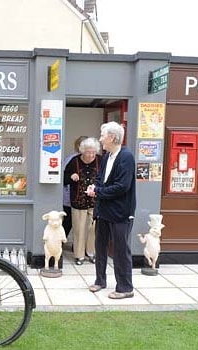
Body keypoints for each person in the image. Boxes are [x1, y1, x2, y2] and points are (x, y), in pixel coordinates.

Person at [86, 121, 136, 299]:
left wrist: (98, 191)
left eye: (102, 136)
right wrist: (95, 187)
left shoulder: (126, 157)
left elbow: (122, 186)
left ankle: (125, 288)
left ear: (112, 138)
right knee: (100, 246)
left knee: (121, 250)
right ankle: (100, 280)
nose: (100, 139)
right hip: (103, 210)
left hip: (120, 212)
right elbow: (100, 178)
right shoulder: (107, 156)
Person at [63, 137, 101, 265]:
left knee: (93, 229)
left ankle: (91, 253)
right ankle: (79, 256)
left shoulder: (100, 160)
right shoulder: (74, 162)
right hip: (78, 201)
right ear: (82, 151)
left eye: (93, 152)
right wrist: (71, 176)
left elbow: (106, 178)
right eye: (88, 152)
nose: (91, 155)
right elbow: (63, 178)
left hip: (95, 201)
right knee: (79, 229)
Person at [62, 136, 88, 238]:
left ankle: (76, 246)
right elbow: (64, 177)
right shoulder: (71, 159)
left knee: (77, 223)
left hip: (82, 197)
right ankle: (60, 244)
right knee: (69, 222)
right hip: (70, 196)